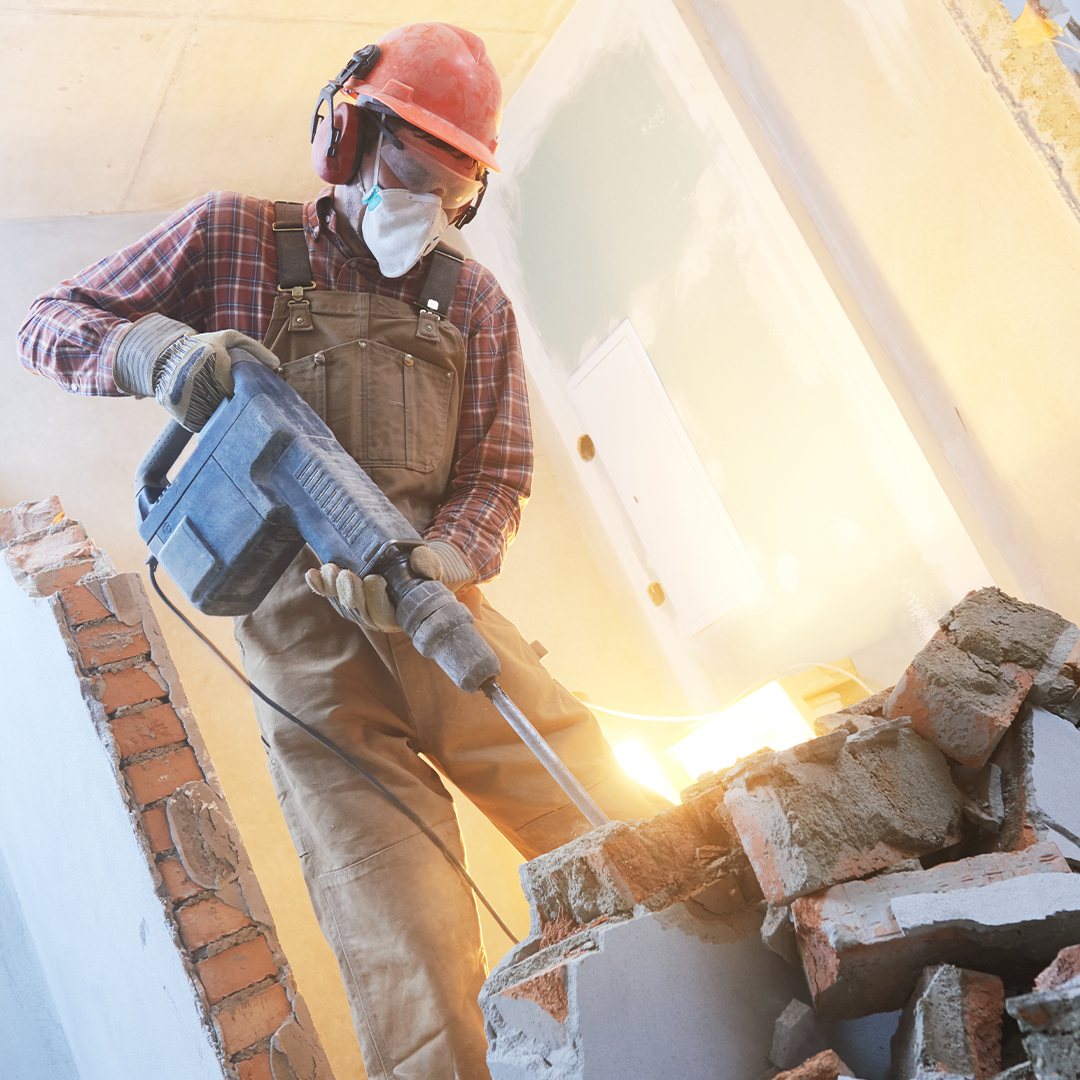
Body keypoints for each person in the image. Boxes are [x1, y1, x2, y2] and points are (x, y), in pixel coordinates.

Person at [18, 22, 657, 1079]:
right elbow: (49, 320)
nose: (428, 203)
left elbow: (494, 479)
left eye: (456, 188)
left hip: (440, 623)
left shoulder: (475, 303)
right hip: (310, 675)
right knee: (410, 952)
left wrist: (447, 563)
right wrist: (156, 351)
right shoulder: (233, 238)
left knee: (617, 832)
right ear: (348, 134)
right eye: (413, 163)